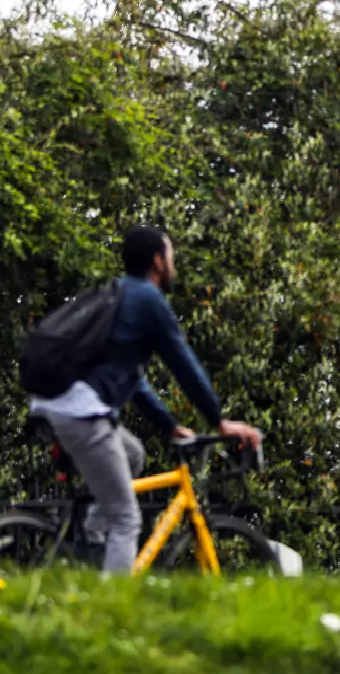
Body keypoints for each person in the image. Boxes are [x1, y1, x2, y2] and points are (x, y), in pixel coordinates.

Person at [29, 225, 261, 573]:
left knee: (133, 454)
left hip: (55, 404)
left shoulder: (119, 295)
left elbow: (135, 383)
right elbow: (185, 365)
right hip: (82, 412)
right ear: (157, 261)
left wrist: (169, 426)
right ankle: (113, 611)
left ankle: (90, 536)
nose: (174, 264)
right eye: (171, 256)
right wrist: (218, 421)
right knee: (126, 520)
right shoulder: (149, 301)